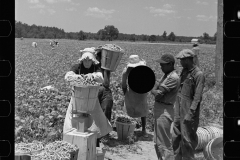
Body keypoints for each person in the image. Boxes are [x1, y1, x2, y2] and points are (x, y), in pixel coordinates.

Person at [63, 47, 113, 147]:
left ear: (93, 60)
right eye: (85, 60)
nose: (86, 62)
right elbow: (67, 76)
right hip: (78, 99)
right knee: (71, 122)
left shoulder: (96, 67)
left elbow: (100, 78)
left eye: (89, 60)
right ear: (82, 60)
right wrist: (79, 77)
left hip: (92, 99)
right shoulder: (77, 66)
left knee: (96, 123)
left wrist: (92, 75)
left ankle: (95, 144)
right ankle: (72, 143)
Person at [172, 49, 205, 160]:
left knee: (187, 138)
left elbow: (197, 97)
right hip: (179, 105)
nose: (180, 62)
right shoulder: (185, 71)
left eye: (182, 60)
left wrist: (190, 113)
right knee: (176, 135)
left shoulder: (198, 74)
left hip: (189, 108)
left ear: (188, 60)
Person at [151, 53, 180, 160]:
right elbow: (157, 87)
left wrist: (152, 88)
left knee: (164, 143)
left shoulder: (173, 77)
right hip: (160, 109)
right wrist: (155, 87)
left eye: (163, 65)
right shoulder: (166, 75)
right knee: (158, 141)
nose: (161, 66)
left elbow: (158, 94)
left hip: (164, 111)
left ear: (171, 64)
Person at [121, 55, 149, 138]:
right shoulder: (126, 71)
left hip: (142, 91)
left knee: (143, 109)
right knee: (129, 109)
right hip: (131, 91)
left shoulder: (143, 70)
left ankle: (144, 129)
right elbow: (123, 83)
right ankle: (129, 129)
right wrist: (126, 93)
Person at [95, 49, 114, 124]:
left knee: (107, 103)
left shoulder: (106, 69)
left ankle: (105, 129)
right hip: (94, 90)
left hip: (104, 90)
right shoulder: (93, 67)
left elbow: (106, 84)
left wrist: (105, 70)